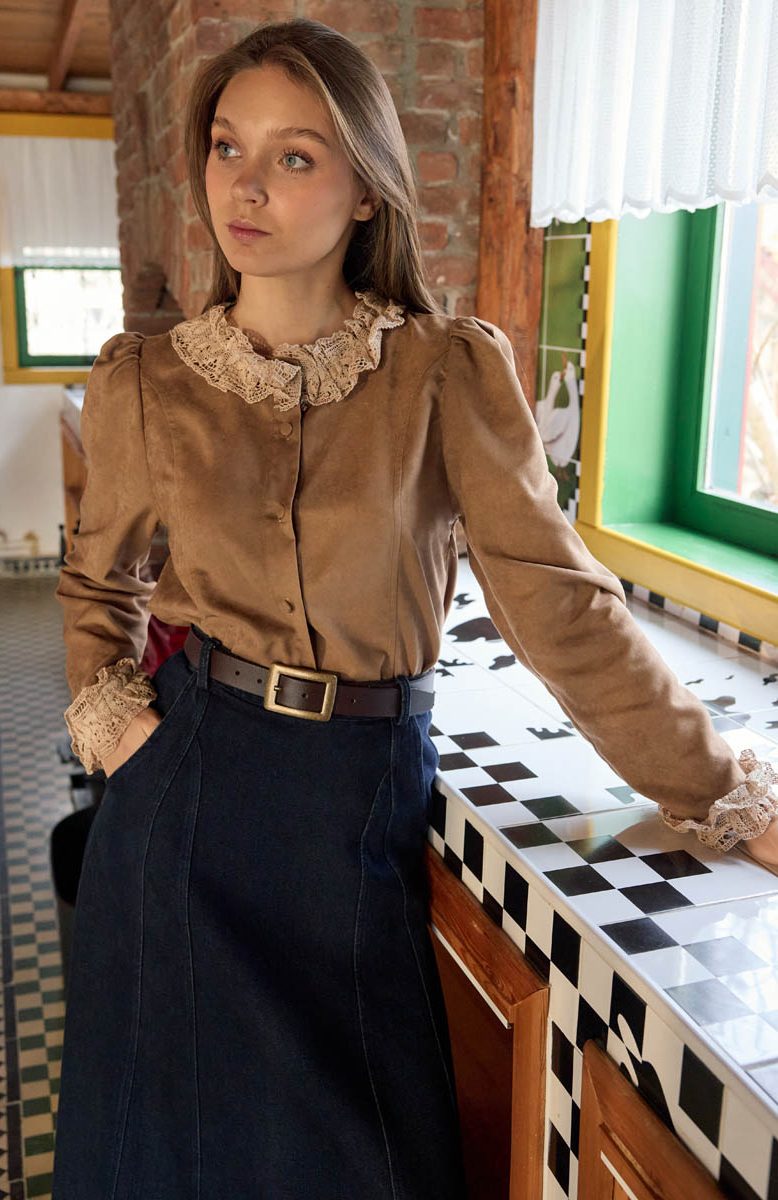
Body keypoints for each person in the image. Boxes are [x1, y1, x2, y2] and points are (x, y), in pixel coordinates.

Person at [50, 16, 778, 1200]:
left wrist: (720, 794)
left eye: (294, 155)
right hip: (183, 792)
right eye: (229, 146)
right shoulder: (145, 381)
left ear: (365, 191)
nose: (245, 185)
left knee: (362, 1159)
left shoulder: (444, 372)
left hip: (356, 793)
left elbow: (558, 608)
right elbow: (99, 579)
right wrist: (120, 732)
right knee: (170, 1153)